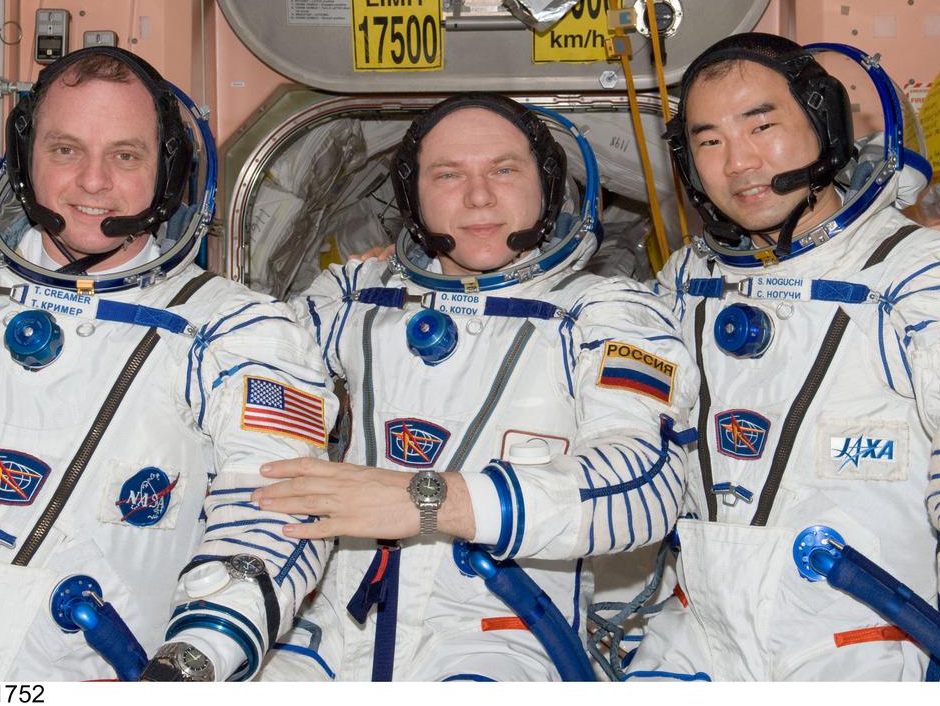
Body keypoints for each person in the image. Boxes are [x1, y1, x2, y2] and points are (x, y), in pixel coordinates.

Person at [0, 47, 334, 681]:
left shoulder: (236, 332)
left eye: (125, 155)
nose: (93, 182)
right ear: (25, 155)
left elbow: (278, 518)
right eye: (66, 150)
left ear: (167, 174)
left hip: (100, 669)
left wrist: (194, 659)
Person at [629, 33, 940, 681]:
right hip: (699, 638)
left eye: (763, 126)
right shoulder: (684, 282)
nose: (739, 162)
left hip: (861, 643)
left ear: (824, 125)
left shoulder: (933, 277)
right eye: (709, 141)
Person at [252, 93, 697, 681]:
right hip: (329, 631)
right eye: (448, 175)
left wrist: (430, 503)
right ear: (414, 201)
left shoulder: (607, 314)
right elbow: (245, 391)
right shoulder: (350, 298)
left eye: (504, 170)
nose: (479, 196)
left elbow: (643, 486)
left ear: (548, 186)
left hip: (503, 634)